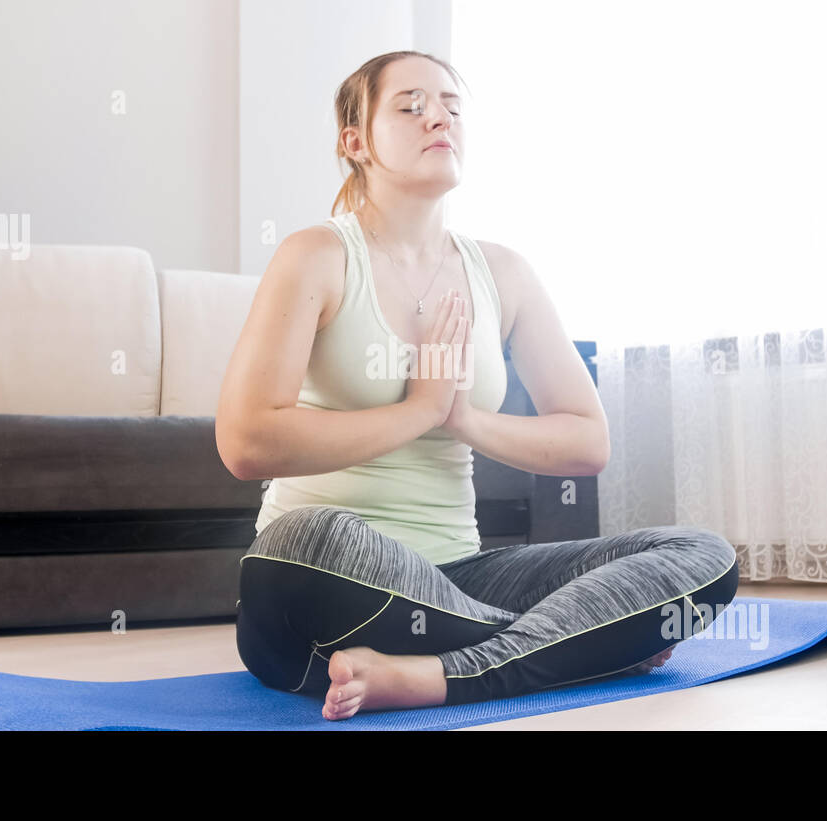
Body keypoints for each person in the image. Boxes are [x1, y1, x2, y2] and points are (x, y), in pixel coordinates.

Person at [215, 50, 739, 720]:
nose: (439, 117)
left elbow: (586, 440)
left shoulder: (503, 272)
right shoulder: (315, 256)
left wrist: (462, 417)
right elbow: (245, 438)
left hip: (456, 581)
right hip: (326, 588)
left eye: (452, 107)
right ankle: (582, 642)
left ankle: (435, 676)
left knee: (701, 556)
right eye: (410, 106)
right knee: (297, 544)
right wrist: (420, 408)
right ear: (355, 142)